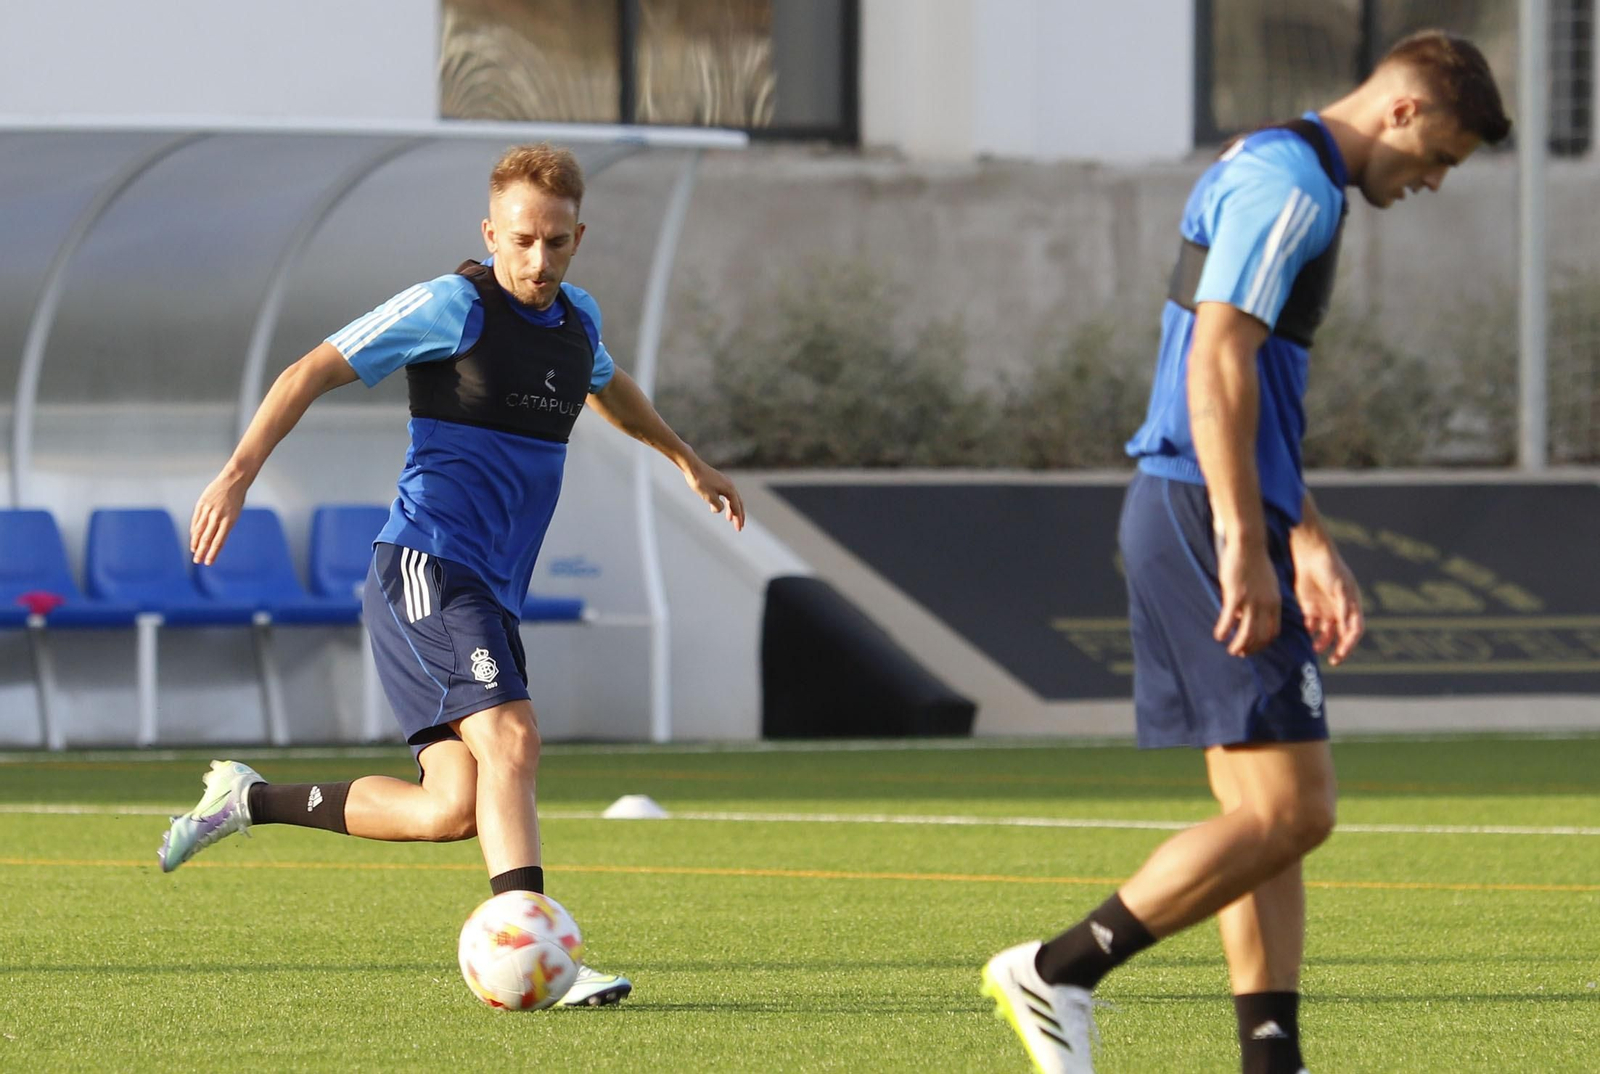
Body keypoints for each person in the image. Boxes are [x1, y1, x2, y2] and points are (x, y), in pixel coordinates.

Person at [982, 31, 1509, 1073]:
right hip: (1195, 510)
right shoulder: (1295, 191)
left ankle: (1272, 1058)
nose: (1435, 182)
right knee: (1294, 809)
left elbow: (1248, 386)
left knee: (1264, 817)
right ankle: (1058, 969)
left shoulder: (1270, 160)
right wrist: (1242, 540)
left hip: (1202, 503)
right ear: (1400, 114)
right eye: (1439, 156)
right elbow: (1218, 358)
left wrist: (1299, 533)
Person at [158, 142, 745, 1008]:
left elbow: (610, 387)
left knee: (451, 809)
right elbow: (309, 369)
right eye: (520, 241)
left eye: (555, 242)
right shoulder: (451, 305)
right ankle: (537, 942)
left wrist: (686, 458)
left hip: (486, 591)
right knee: (513, 738)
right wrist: (239, 471)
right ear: (490, 232)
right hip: (429, 567)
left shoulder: (575, 320)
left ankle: (248, 802)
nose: (537, 261)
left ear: (577, 236)